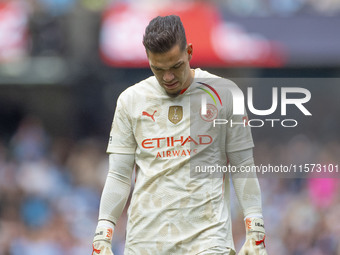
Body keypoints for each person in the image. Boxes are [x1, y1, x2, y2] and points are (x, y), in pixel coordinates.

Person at [92, 15, 267, 255]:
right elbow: (120, 175)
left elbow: (243, 166)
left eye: (175, 66)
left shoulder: (225, 94)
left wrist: (255, 230)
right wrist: (103, 232)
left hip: (208, 241)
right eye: (158, 69)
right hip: (144, 243)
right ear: (148, 60)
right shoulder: (130, 100)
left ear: (190, 52)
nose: (168, 78)